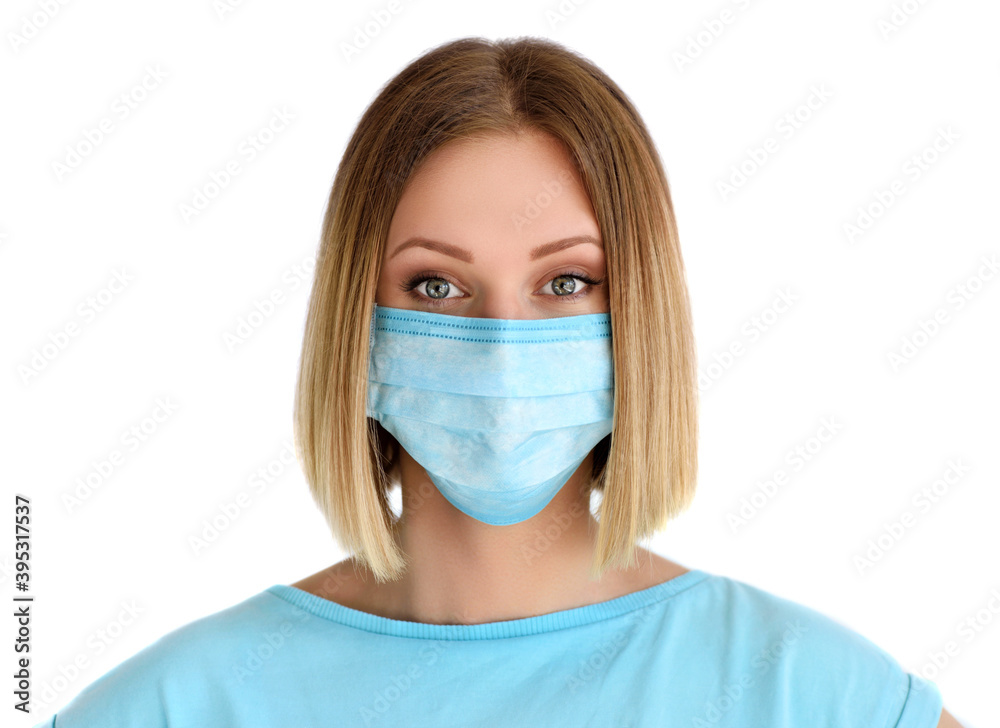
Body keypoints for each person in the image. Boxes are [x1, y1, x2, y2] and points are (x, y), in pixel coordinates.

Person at [33, 36, 963, 727]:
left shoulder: (810, 695)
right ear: (355, 323)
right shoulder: (176, 707)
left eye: (567, 282)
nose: (502, 345)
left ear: (640, 318)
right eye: (436, 286)